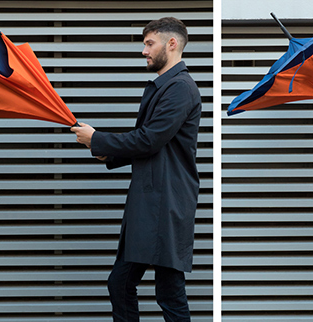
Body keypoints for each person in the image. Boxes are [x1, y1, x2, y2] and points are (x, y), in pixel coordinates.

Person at [70, 17, 201, 322]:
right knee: (124, 283)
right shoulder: (166, 86)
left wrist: (98, 139)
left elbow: (150, 139)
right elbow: (150, 142)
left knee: (166, 292)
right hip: (152, 202)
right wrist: (106, 154)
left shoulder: (180, 87)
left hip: (164, 203)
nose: (144, 50)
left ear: (172, 44)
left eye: (149, 43)